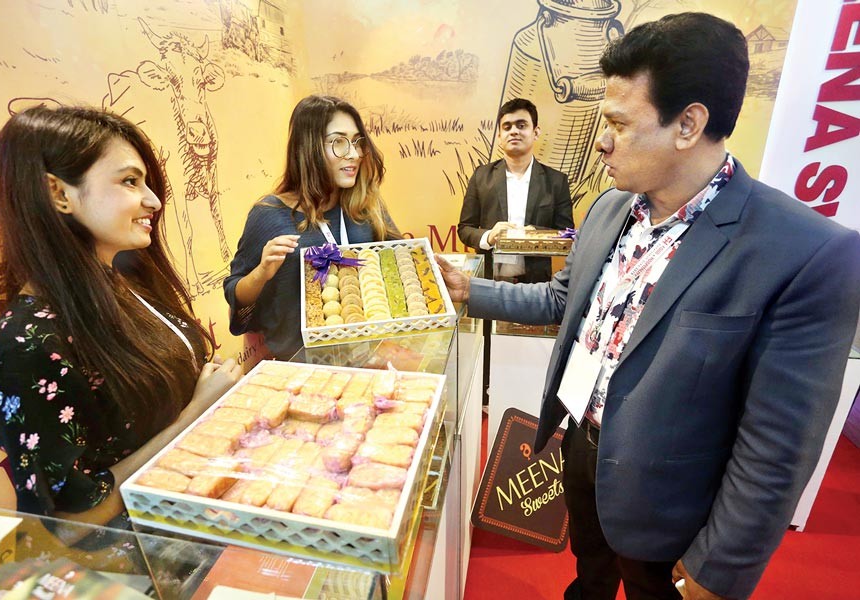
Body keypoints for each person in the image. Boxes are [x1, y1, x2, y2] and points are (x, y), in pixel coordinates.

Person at [437, 12, 860, 600]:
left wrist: (719, 570)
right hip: (580, 450)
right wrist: (468, 290)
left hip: (671, 504)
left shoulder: (804, 254)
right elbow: (567, 301)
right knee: (588, 574)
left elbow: (778, 445)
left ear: (688, 124)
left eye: (617, 123)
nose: (601, 140)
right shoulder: (613, 208)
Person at [0, 106, 241, 527]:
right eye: (129, 181)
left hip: (197, 514)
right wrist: (198, 413)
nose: (153, 201)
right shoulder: (26, 341)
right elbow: (68, 525)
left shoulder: (124, 278)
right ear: (58, 194)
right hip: (146, 563)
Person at [225, 95, 400, 359]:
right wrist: (261, 274)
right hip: (299, 366)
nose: (354, 154)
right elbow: (235, 294)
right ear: (307, 148)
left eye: (357, 142)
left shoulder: (365, 206)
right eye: (338, 142)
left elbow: (395, 261)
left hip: (366, 357)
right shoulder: (270, 215)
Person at [457, 97, 573, 283]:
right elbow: (465, 229)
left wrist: (533, 234)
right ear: (499, 136)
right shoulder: (481, 176)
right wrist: (489, 236)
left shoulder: (556, 181)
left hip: (536, 284)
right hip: (489, 280)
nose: (514, 132)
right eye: (507, 127)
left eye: (521, 125)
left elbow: (566, 233)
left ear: (535, 132)